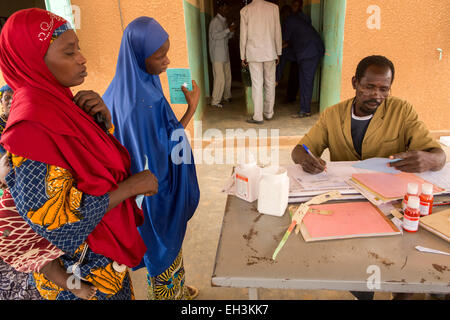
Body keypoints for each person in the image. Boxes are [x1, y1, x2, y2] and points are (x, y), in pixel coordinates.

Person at [0, 8, 158, 300]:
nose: (82, 58)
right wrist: (131, 187)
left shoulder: (60, 105)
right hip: (81, 275)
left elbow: (91, 166)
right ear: (35, 62)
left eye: (79, 48)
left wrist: (101, 123)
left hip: (102, 264)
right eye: (69, 53)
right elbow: (58, 221)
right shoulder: (30, 129)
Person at [292, 55, 446, 300]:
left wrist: (431, 159)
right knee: (357, 264)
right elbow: (301, 149)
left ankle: (402, 292)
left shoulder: (402, 111)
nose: (377, 95)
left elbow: (437, 154)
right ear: (355, 82)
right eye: (369, 87)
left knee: (406, 258)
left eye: (384, 89)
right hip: (351, 205)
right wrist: (304, 159)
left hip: (393, 203)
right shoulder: (333, 115)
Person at [103, 17, 201, 300]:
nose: (167, 61)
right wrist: (191, 110)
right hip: (153, 192)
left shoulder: (120, 90)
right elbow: (165, 151)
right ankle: (169, 294)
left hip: (134, 192)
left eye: (166, 52)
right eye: (159, 55)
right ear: (138, 55)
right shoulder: (145, 102)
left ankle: (177, 288)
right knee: (163, 245)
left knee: (152, 243)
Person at [240, 0, 282, 124]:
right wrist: (278, 51)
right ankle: (269, 113)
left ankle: (258, 116)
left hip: (253, 53)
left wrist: (243, 55)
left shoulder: (245, 10)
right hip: (270, 52)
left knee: (257, 85)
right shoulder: (274, 8)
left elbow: (243, 35)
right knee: (270, 83)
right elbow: (277, 31)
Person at [282, 0, 324, 118]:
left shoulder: (289, 21)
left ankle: (305, 110)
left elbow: (284, 41)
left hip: (309, 52)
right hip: (306, 51)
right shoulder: (297, 19)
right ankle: (276, 78)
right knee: (304, 79)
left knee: (306, 81)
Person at [209, 0, 235, 108]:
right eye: (225, 8)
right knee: (220, 78)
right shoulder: (215, 21)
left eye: (228, 8)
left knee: (228, 76)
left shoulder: (224, 21)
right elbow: (215, 36)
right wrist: (228, 30)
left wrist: (231, 31)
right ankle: (215, 101)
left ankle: (226, 96)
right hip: (217, 55)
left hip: (225, 53)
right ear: (220, 8)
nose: (227, 10)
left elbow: (227, 37)